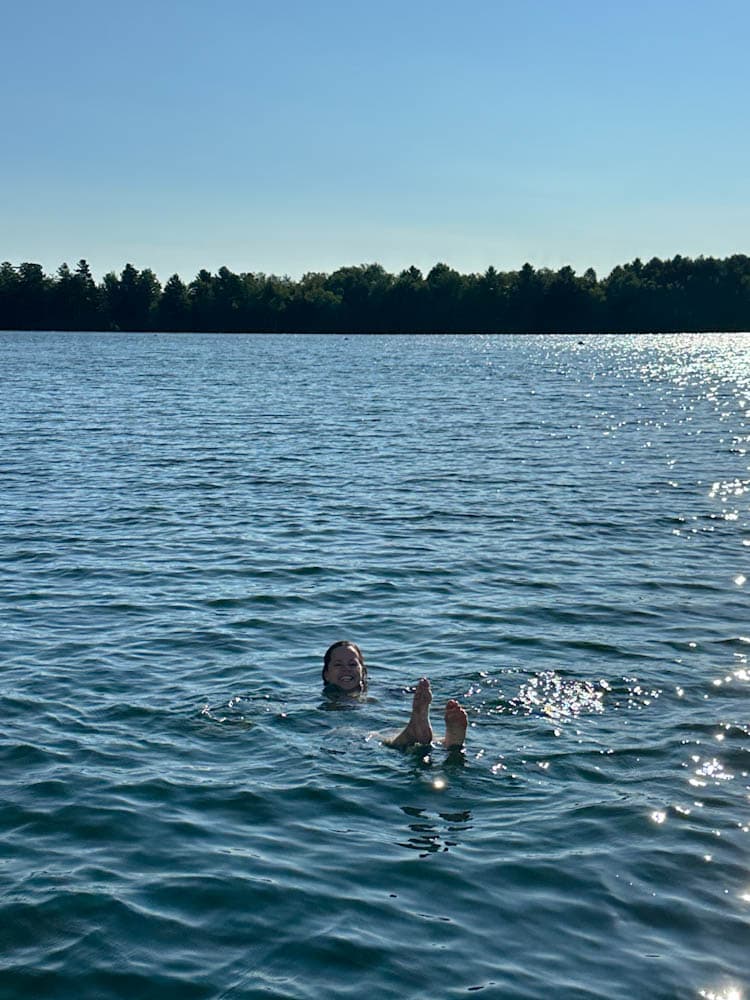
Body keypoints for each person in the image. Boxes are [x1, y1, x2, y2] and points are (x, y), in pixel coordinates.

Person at [322, 641, 468, 749]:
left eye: (352, 664)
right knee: (350, 733)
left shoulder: (385, 690)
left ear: (363, 672)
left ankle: (446, 739)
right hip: (383, 723)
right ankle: (445, 741)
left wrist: (444, 710)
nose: (346, 669)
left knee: (365, 736)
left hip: (382, 722)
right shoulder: (328, 703)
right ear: (326, 674)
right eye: (338, 665)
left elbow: (412, 696)